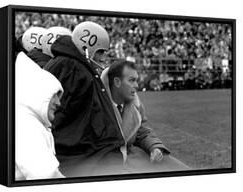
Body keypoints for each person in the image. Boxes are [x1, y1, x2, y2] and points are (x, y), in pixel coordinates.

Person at [44, 21, 127, 177]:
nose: (104, 57)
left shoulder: (75, 65)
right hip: (83, 156)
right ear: (86, 48)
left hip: (89, 152)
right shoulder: (70, 67)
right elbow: (57, 117)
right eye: (101, 51)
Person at [101, 59, 190, 173]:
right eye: (132, 80)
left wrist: (154, 147)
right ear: (117, 82)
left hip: (131, 158)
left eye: (136, 80)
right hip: (111, 166)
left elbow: (139, 132)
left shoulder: (131, 107)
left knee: (181, 170)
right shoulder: (98, 110)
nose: (137, 85)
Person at [15, 51, 65, 180]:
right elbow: (46, 176)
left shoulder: (24, 120)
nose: (59, 103)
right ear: (39, 92)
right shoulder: (28, 126)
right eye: (54, 95)